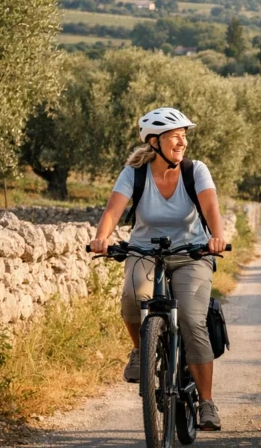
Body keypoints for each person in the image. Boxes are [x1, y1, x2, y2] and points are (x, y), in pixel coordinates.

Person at [89, 108, 228, 431]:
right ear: (154, 142)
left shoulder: (196, 171)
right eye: (174, 136)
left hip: (192, 252)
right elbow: (113, 209)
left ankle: (207, 403)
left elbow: (210, 206)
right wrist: (101, 238)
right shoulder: (134, 174)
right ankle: (141, 350)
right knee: (132, 296)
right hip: (145, 249)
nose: (182, 142)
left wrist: (217, 238)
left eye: (184, 135)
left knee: (193, 321)